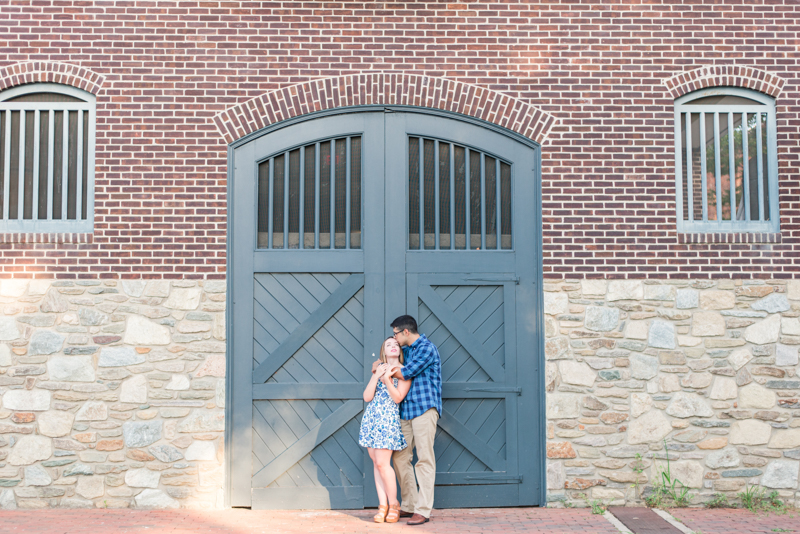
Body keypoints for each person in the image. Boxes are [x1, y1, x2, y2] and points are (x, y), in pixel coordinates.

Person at [375, 315, 442, 526]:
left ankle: (423, 510)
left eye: (395, 333)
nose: (394, 337)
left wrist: (381, 369)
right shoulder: (408, 350)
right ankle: (409, 504)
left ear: (405, 332)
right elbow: (392, 361)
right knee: (400, 458)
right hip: (405, 411)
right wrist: (380, 363)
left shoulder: (426, 348)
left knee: (424, 459)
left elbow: (406, 373)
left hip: (424, 408)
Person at [358, 336, 412, 523]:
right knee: (376, 463)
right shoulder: (378, 369)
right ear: (384, 351)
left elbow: (397, 398)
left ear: (400, 350)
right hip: (372, 418)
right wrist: (376, 375)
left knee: (383, 464)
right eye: (389, 344)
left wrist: (388, 379)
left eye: (396, 344)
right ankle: (382, 506)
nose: (393, 346)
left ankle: (394, 504)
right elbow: (367, 397)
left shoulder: (404, 371)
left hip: (387, 420)